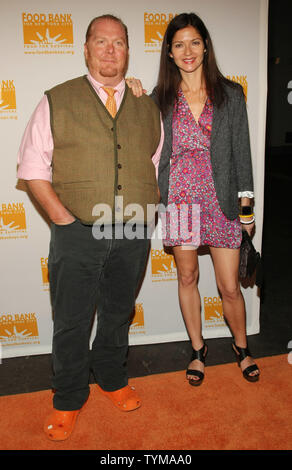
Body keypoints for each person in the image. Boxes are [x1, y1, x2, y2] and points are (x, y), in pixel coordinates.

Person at [17, 14, 163, 441]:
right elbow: (32, 166)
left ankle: (112, 379)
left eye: (118, 43)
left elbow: (152, 165)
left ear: (128, 51)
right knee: (72, 320)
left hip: (134, 232)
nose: (110, 51)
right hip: (78, 232)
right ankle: (67, 397)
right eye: (101, 42)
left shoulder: (146, 104)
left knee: (118, 314)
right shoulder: (57, 99)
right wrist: (63, 219)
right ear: (85, 49)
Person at [131, 12, 260, 386]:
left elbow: (242, 156)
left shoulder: (231, 94)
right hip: (181, 199)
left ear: (205, 46)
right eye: (178, 44)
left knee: (230, 286)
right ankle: (198, 350)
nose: (187, 51)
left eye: (194, 42)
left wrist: (246, 210)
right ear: (169, 53)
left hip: (221, 201)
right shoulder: (160, 99)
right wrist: (134, 94)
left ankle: (241, 347)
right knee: (187, 276)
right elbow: (135, 128)